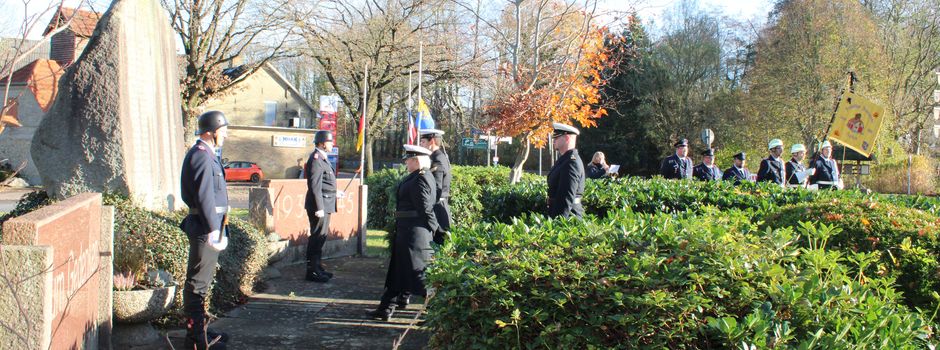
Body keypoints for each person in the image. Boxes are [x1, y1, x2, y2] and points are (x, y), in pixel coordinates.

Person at [367, 145, 439, 321]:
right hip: (407, 231)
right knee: (398, 272)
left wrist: (435, 229)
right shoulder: (417, 176)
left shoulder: (421, 179)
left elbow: (425, 208)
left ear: (416, 161)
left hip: (414, 235)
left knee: (418, 275)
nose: (406, 162)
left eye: (408, 159)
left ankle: (436, 313)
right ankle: (386, 307)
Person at [180, 111, 231, 349]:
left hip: (209, 225)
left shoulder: (208, 154)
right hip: (204, 227)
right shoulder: (200, 155)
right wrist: (213, 229)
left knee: (203, 283)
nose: (226, 134)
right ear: (212, 131)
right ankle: (196, 340)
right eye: (223, 130)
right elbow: (203, 195)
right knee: (197, 285)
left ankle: (201, 331)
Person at [303, 130, 337, 283]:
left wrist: (336, 192)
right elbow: (314, 186)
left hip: (326, 202)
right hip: (320, 205)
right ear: (322, 143)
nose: (332, 144)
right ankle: (312, 270)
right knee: (316, 237)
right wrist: (319, 208)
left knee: (321, 237)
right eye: (330, 142)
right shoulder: (316, 159)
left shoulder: (323, 158)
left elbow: (325, 184)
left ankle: (318, 266)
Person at [418, 128, 452, 244]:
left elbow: (436, 188)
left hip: (437, 209)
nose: (421, 145)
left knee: (438, 245)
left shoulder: (437, 159)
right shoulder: (436, 157)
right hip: (436, 206)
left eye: (422, 142)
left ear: (431, 141)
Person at [547, 122, 585, 218]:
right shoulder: (565, 159)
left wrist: (559, 222)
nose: (553, 140)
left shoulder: (571, 162)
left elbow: (566, 197)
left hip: (568, 216)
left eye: (556, 137)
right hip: (561, 212)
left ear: (567, 138)